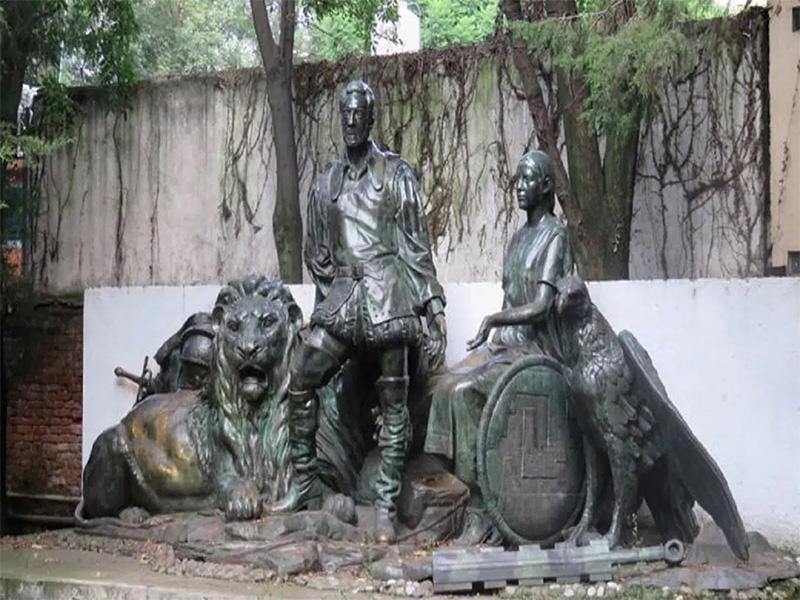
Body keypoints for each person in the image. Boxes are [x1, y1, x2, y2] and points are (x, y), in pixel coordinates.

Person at [267, 80, 447, 544]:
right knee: (302, 375)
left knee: (394, 403)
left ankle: (385, 504)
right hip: (346, 296)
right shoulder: (326, 182)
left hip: (389, 295)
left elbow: (414, 243)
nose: (350, 121)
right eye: (344, 113)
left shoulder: (396, 173)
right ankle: (305, 484)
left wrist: (432, 303)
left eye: (358, 114)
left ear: (371, 119)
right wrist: (332, 297)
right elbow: (315, 253)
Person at [424, 150, 575, 545]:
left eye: (528, 180)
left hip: (535, 348)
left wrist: (493, 320)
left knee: (463, 392)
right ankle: (477, 492)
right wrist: (488, 338)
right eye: (517, 180)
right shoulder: (518, 237)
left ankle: (481, 510)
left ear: (545, 186)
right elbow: (511, 298)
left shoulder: (555, 236)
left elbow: (542, 306)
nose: (520, 187)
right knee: (439, 387)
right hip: (504, 343)